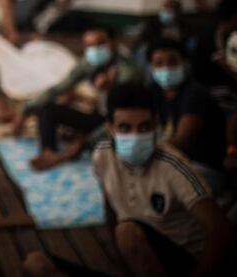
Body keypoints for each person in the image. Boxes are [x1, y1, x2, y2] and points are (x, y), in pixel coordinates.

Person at [93, 83, 230, 277]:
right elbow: (110, 206)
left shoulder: (173, 166)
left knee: (127, 232)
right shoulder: (102, 155)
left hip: (188, 262)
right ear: (110, 129)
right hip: (142, 258)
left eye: (144, 127)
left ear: (155, 125)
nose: (134, 136)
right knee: (38, 263)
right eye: (124, 128)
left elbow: (221, 231)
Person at [12, 27, 142, 170]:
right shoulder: (89, 64)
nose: (95, 50)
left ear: (113, 43)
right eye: (90, 45)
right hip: (100, 116)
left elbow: (125, 118)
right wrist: (26, 109)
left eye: (100, 43)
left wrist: (86, 142)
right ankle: (48, 152)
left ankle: (71, 151)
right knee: (47, 109)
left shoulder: (127, 72)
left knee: (107, 144)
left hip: (121, 125)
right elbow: (59, 88)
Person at [147, 38, 227, 195]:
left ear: (184, 62)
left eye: (172, 61)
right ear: (151, 67)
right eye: (159, 63)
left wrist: (144, 154)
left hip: (203, 168)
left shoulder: (195, 94)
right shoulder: (155, 91)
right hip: (174, 162)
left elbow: (182, 142)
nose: (166, 68)